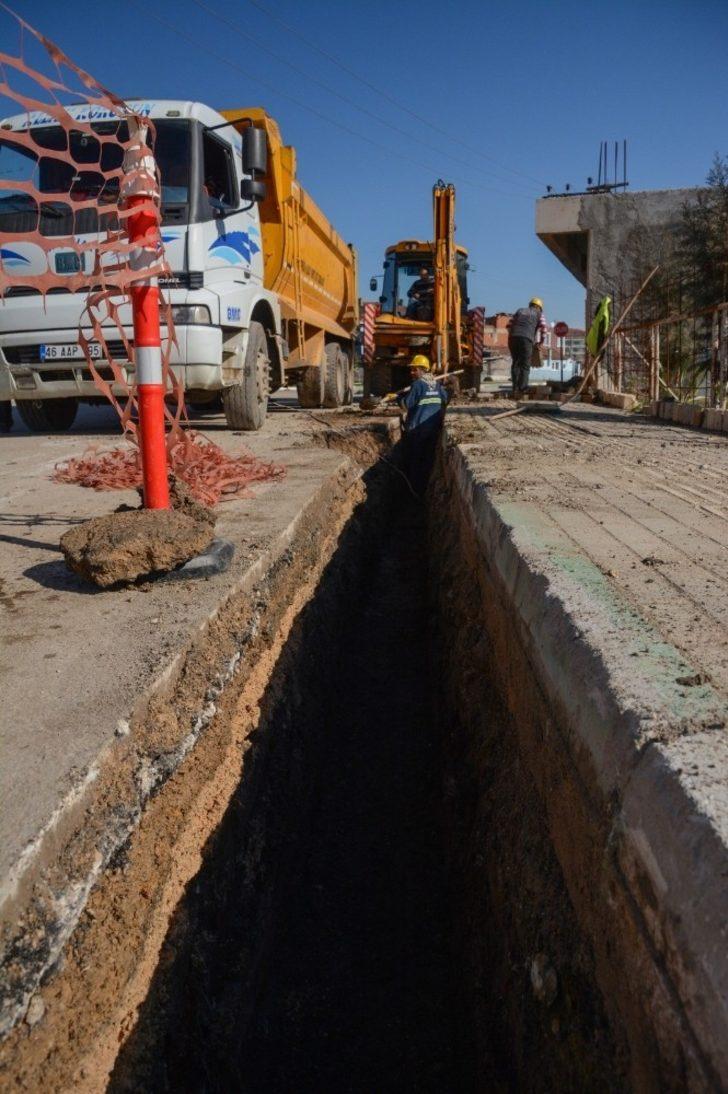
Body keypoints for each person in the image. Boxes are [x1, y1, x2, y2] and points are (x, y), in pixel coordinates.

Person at [396, 353, 448, 495]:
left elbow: (406, 405)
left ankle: (413, 491)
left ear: (423, 369)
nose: (412, 372)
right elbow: (445, 399)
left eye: (415, 369)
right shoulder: (436, 384)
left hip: (416, 431)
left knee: (414, 462)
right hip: (433, 429)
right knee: (427, 460)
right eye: (411, 369)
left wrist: (398, 397)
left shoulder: (417, 385)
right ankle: (423, 489)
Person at [508, 297, 547, 396]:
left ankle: (515, 388)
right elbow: (544, 329)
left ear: (530, 305)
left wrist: (515, 334)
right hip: (526, 339)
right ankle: (523, 389)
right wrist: (541, 342)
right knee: (525, 365)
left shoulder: (520, 310)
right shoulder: (539, 314)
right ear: (539, 307)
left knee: (515, 363)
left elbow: (508, 325)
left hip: (513, 338)